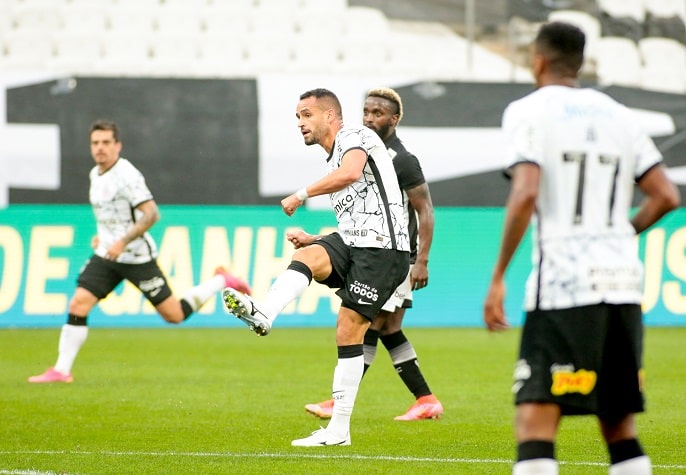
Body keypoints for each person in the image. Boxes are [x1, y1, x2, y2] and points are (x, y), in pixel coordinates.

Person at [483, 22, 680, 475]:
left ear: (538, 60)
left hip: (564, 287)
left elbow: (526, 191)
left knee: (534, 419)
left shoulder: (527, 111)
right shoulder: (619, 115)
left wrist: (497, 278)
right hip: (623, 285)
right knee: (618, 426)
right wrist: (621, 235)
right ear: (580, 61)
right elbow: (666, 195)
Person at [222, 88, 410, 446]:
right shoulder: (333, 157)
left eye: (306, 115)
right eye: (297, 117)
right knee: (307, 257)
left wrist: (301, 194)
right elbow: (358, 214)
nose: (300, 123)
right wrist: (316, 238)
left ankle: (339, 430)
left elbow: (351, 173)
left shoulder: (356, 135)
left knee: (348, 329)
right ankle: (264, 312)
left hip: (385, 250)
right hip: (356, 242)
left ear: (330, 116)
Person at [28, 119, 250, 384]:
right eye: (95, 143)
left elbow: (151, 214)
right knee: (78, 303)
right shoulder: (95, 174)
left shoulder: (127, 176)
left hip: (136, 258)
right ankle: (62, 370)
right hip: (108, 257)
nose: (100, 148)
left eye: (106, 142)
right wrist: (104, 236)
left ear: (117, 146)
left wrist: (121, 241)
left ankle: (221, 281)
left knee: (174, 315)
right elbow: (111, 214)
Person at [300, 87, 443, 421]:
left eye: (378, 113)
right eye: (366, 112)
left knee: (368, 323)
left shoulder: (402, 160)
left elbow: (426, 210)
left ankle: (341, 401)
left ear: (394, 119)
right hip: (376, 251)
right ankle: (425, 399)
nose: (369, 118)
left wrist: (421, 259)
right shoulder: (357, 149)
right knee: (386, 327)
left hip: (395, 256)